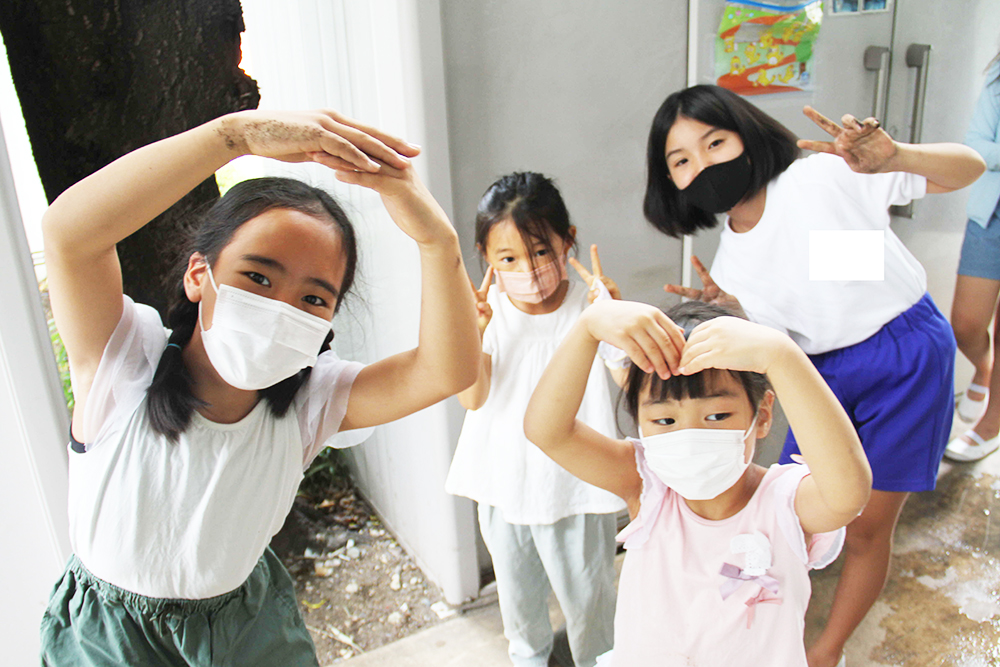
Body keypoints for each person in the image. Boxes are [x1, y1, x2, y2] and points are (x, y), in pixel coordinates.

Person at [39, 109, 480, 666]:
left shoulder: (311, 404)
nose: (279, 310)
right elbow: (69, 235)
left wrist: (437, 241)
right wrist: (233, 138)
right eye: (258, 277)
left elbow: (445, 370)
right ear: (199, 275)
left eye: (313, 299)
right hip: (109, 640)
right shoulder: (124, 362)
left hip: (246, 631)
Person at [642, 84, 984, 667]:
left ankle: (825, 652)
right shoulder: (730, 266)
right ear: (669, 182)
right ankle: (763, 628)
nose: (702, 164)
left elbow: (968, 169)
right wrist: (735, 317)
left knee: (868, 526)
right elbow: (795, 322)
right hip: (818, 374)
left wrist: (895, 155)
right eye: (681, 160)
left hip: (904, 354)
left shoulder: (821, 176)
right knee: (796, 514)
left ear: (746, 135)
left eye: (714, 142)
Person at [523, 298, 872, 666]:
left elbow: (848, 494)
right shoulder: (648, 487)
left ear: (763, 415)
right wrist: (587, 328)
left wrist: (782, 356)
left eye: (717, 415)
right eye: (665, 421)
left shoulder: (785, 504)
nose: (689, 436)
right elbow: (548, 430)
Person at [445, 172, 625, 667]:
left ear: (567, 241)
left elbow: (630, 384)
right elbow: (473, 399)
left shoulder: (588, 309)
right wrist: (472, 333)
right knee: (521, 622)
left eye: (542, 252)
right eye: (509, 259)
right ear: (486, 257)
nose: (529, 269)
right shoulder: (487, 313)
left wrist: (613, 322)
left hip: (577, 492)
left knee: (592, 618)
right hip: (504, 487)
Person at [947, 50, 1000, 462]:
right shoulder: (998, 71)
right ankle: (984, 369)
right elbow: (978, 147)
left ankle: (991, 422)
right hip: (992, 215)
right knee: (966, 325)